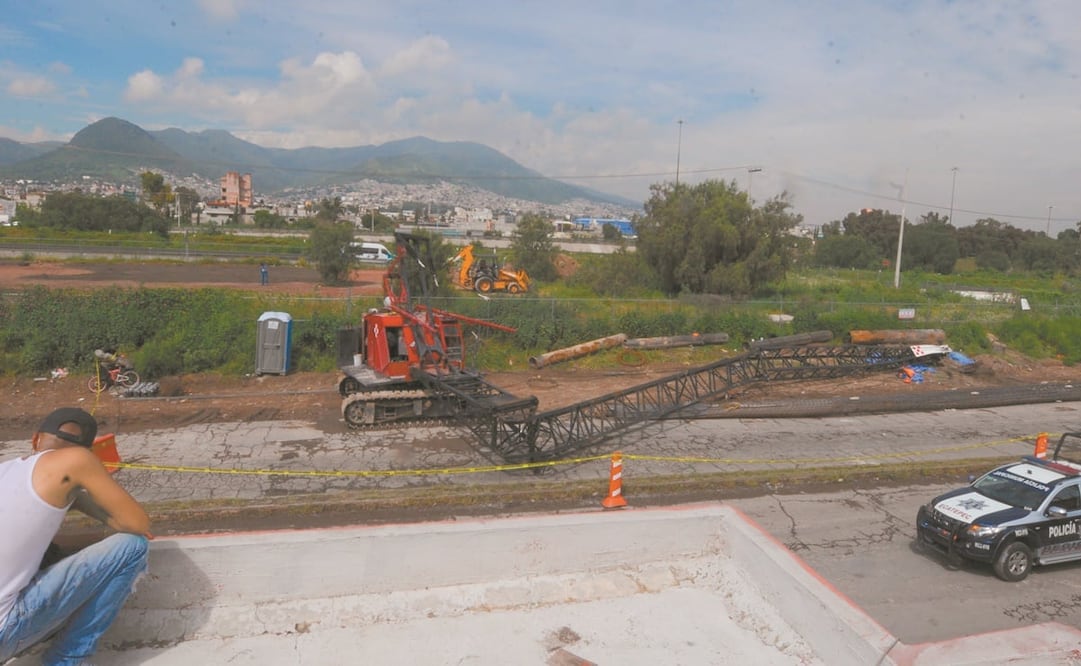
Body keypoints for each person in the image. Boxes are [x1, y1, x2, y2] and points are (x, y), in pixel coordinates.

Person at [0, 408, 151, 665]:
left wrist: (73, 496)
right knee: (132, 547)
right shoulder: (77, 459)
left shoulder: (6, 471)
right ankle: (67, 660)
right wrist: (80, 495)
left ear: (35, 439)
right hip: (4, 631)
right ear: (89, 450)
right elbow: (137, 523)